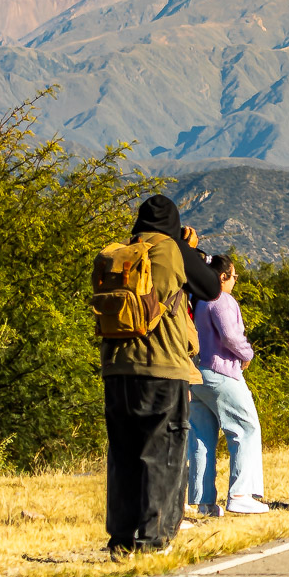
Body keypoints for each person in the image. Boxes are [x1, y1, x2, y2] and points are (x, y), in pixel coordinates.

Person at [101, 195, 221, 555]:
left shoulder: (123, 252)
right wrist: (185, 247)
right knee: (163, 451)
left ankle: (121, 541)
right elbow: (211, 288)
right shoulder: (172, 249)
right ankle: (154, 541)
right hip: (161, 366)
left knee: (123, 455)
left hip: (116, 367)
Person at [187, 255, 268, 516]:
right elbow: (231, 336)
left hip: (196, 375)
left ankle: (204, 502)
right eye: (234, 276)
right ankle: (241, 494)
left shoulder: (197, 301)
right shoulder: (222, 300)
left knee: (201, 437)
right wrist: (247, 354)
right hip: (221, 373)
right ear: (223, 277)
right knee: (246, 429)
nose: (235, 281)